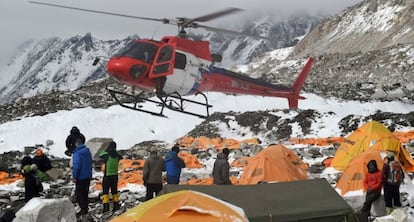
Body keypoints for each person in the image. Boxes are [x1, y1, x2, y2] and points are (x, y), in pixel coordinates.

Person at [99, 141, 123, 213]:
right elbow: (121, 157)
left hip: (107, 175)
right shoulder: (118, 155)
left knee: (105, 192)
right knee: (114, 191)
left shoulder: (107, 155)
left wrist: (107, 149)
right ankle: (116, 205)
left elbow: (101, 154)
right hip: (115, 175)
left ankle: (106, 207)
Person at [72, 139, 92, 216]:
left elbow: (76, 166)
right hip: (87, 176)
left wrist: (75, 176)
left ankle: (83, 209)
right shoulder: (87, 152)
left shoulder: (77, 153)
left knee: (79, 194)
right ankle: (85, 208)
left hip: (80, 177)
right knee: (85, 193)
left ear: (76, 144)